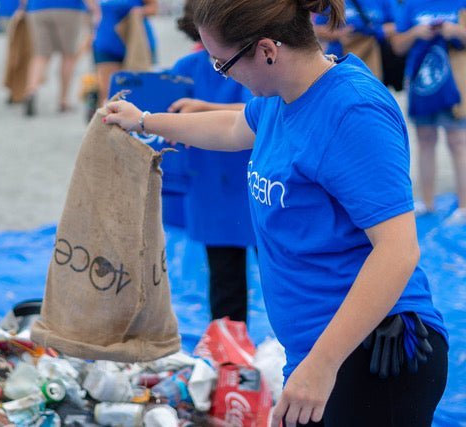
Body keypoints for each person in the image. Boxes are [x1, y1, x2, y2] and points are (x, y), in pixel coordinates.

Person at [103, 0, 448, 425]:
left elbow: (398, 251)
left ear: (267, 50)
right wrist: (144, 121)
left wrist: (322, 366)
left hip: (373, 354)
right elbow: (232, 128)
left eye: (221, 63)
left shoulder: (353, 112)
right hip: (319, 349)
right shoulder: (282, 96)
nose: (221, 75)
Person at [168, 0, 255, 323]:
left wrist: (202, 108)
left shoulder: (252, 64)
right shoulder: (186, 68)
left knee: (282, 280)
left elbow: (264, 113)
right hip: (212, 189)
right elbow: (161, 110)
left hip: (255, 186)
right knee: (225, 281)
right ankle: (229, 358)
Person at [391, 1, 466, 224]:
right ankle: (426, 201)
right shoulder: (411, 5)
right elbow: (397, 46)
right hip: (421, 85)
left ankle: (464, 205)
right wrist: (416, 33)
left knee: (458, 142)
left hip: (454, 85)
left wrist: (455, 31)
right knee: (425, 141)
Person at [21, 0, 91, 116]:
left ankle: (31, 91)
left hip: (37, 8)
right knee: (68, 55)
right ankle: (63, 100)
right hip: (69, 8)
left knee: (40, 55)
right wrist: (94, 8)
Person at [92, 0, 158, 105]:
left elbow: (154, 8)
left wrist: (140, 11)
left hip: (136, 43)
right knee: (107, 92)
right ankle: (105, 120)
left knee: (138, 91)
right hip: (107, 41)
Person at [313, 0, 397, 81]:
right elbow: (317, 29)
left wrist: (375, 31)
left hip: (371, 58)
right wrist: (339, 34)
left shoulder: (384, 1)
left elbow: (397, 26)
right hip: (339, 61)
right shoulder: (332, 2)